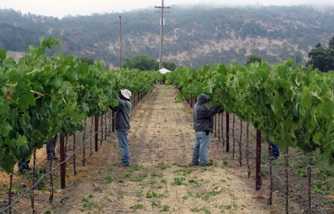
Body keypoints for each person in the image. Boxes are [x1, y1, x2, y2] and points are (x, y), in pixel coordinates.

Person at [192, 94, 222, 166]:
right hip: (204, 129)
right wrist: (217, 107)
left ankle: (195, 161)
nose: (206, 103)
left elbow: (208, 111)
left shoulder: (196, 106)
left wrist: (215, 108)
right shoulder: (201, 108)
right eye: (206, 101)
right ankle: (203, 162)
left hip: (198, 129)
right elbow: (209, 113)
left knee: (197, 146)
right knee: (203, 146)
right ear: (203, 101)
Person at [111, 89, 132, 167]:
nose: (120, 95)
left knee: (123, 144)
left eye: (121, 94)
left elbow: (118, 101)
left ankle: (125, 162)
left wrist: (112, 91)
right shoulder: (125, 104)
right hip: (123, 126)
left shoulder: (126, 104)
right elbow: (115, 108)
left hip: (122, 126)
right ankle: (125, 160)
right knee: (123, 143)